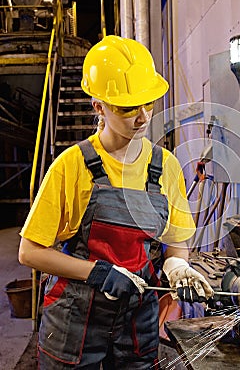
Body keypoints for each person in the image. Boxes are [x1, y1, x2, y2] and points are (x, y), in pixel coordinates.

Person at [18, 35, 214, 369]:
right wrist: (97, 272)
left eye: (148, 104)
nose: (142, 117)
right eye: (127, 108)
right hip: (74, 325)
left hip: (137, 324)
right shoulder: (72, 165)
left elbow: (175, 244)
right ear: (99, 107)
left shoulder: (165, 166)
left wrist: (178, 266)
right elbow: (30, 252)